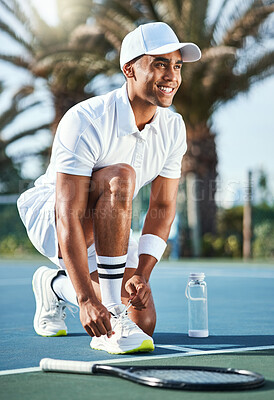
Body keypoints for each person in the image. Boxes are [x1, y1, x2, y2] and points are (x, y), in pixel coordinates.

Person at [17, 22, 201, 354]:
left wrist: (142, 274)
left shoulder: (173, 127)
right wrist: (86, 299)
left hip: (110, 220)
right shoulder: (86, 119)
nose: (172, 75)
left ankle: (54, 286)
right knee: (122, 177)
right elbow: (66, 214)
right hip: (52, 214)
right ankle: (112, 310)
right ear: (129, 69)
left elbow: (162, 208)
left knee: (143, 323)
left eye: (177, 65)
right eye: (159, 63)